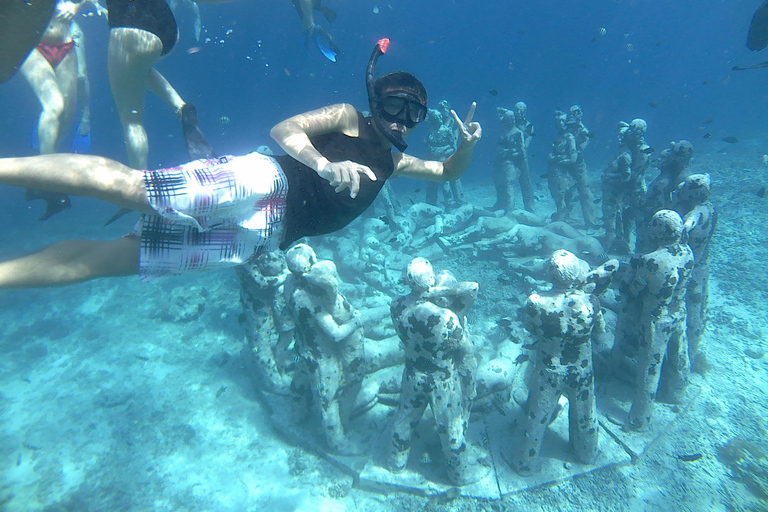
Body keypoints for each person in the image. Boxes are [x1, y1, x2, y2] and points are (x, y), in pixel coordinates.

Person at [0, 38, 481, 288]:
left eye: (413, 115)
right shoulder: (348, 117)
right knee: (134, 188)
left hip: (265, 237)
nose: (402, 122)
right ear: (376, 100)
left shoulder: (393, 166)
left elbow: (446, 171)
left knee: (125, 260)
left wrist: (466, 148)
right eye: (395, 106)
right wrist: (322, 163)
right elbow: (284, 131)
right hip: (262, 178)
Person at [509, 250, 618, 475]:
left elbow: (531, 329)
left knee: (537, 415)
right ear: (576, 273)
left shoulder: (535, 301)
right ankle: (586, 453)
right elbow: (600, 332)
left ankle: (525, 463)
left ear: (549, 274)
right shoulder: (591, 302)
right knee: (586, 412)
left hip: (549, 368)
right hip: (582, 368)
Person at [387, 257, 486, 485]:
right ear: (431, 280)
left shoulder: (396, 305)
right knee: (450, 425)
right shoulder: (446, 318)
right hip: (441, 378)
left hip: (412, 371)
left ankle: (396, 463)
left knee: (404, 417)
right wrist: (435, 293)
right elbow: (466, 348)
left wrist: (423, 294)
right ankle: (460, 474)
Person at [612, 210, 693, 431]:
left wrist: (630, 270)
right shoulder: (687, 251)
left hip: (656, 319)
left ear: (658, 231)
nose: (648, 228)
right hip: (679, 312)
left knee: (649, 368)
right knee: (679, 352)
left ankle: (640, 418)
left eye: (652, 225)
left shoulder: (650, 261)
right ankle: (677, 392)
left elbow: (632, 291)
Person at [19, 0, 101, 219]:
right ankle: (48, 179)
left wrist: (77, 6)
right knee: (54, 106)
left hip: (65, 44)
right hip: (31, 44)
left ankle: (42, 186)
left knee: (65, 115)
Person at [493, 105, 534, 213]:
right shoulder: (509, 121)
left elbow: (525, 146)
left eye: (521, 110)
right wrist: (508, 112)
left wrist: (510, 151)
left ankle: (530, 209)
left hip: (520, 159)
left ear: (525, 112)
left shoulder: (528, 125)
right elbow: (498, 109)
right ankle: (501, 204)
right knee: (503, 181)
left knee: (525, 184)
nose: (518, 112)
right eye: (516, 110)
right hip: (508, 159)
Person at [565, 105, 596, 230]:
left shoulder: (583, 131)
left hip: (579, 166)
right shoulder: (568, 128)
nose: (574, 115)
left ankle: (591, 223)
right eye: (572, 113)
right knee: (567, 193)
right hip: (567, 165)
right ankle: (565, 218)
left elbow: (580, 149)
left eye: (577, 113)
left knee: (585, 194)